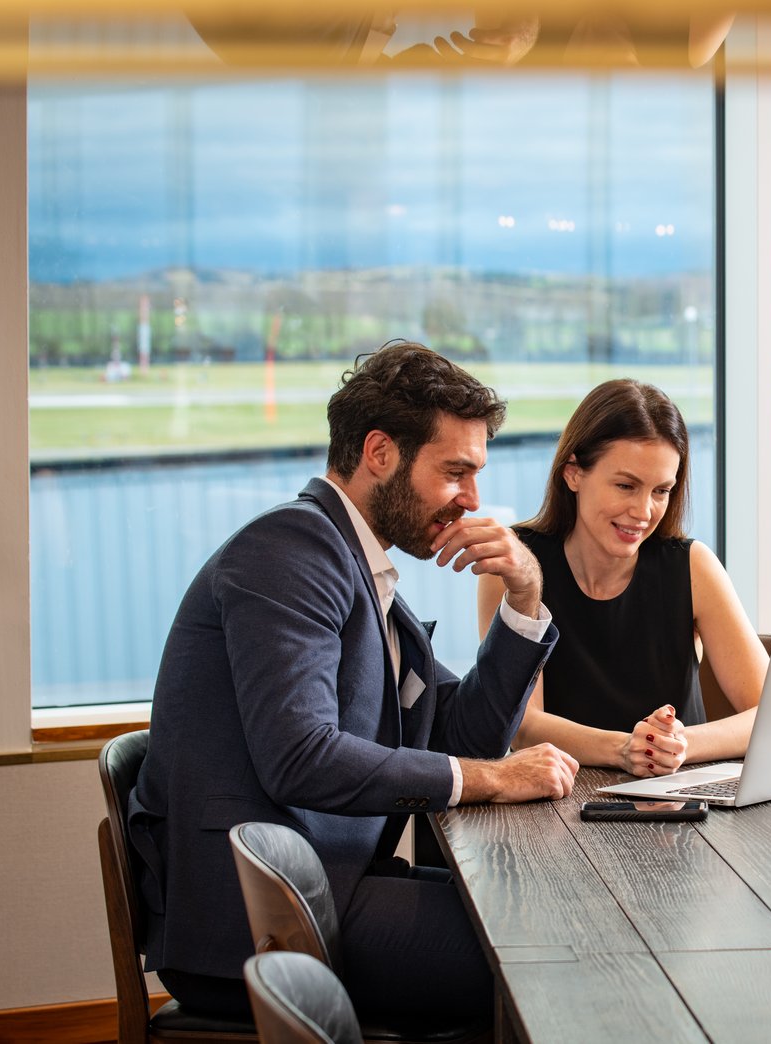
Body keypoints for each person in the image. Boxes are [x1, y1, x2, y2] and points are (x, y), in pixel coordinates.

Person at [126, 341, 578, 1026]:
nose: (473, 500)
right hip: (266, 925)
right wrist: (493, 780)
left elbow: (467, 734)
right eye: (455, 471)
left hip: (328, 889)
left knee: (538, 917)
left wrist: (524, 593)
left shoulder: (356, 570)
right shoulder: (291, 552)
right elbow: (299, 756)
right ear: (379, 453)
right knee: (544, 951)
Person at [476, 379, 767, 778]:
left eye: (661, 490)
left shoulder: (693, 565)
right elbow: (523, 726)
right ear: (573, 473)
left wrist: (675, 746)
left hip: (678, 798)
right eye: (626, 486)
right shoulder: (517, 566)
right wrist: (626, 749)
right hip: (559, 805)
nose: (643, 511)